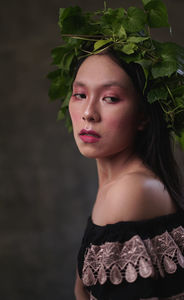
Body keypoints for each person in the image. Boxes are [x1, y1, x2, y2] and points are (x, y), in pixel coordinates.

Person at [48, 2, 184, 299]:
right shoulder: (116, 185)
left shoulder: (132, 190)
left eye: (110, 98)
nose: (88, 113)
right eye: (80, 95)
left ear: (144, 115)